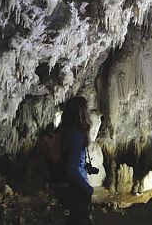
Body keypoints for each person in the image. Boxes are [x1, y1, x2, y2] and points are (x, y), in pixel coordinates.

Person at [59, 96, 94, 225]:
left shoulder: (64, 132)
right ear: (82, 113)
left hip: (66, 187)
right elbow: (71, 169)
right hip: (77, 189)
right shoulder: (77, 135)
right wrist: (88, 189)